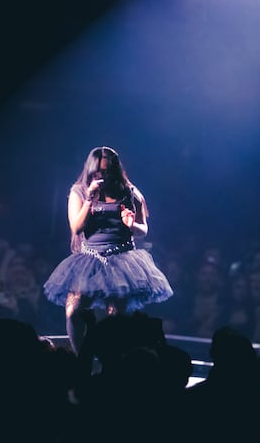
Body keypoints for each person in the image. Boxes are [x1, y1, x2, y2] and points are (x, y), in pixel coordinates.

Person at [43, 146, 173, 354]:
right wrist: (89, 199)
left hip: (121, 259)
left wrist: (131, 225)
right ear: (90, 170)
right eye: (98, 172)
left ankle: (110, 359)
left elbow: (143, 231)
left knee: (115, 315)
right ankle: (80, 357)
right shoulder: (79, 191)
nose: (102, 176)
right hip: (90, 258)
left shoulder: (129, 192)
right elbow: (76, 227)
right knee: (73, 310)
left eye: (107, 171)